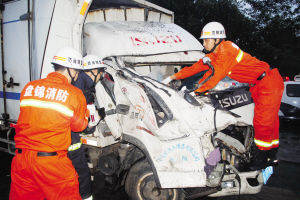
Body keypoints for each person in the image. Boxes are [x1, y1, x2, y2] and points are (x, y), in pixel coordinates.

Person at [163, 22, 284, 171]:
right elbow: (198, 68)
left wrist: (197, 91)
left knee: (263, 122)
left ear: (217, 39)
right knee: (271, 121)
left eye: (206, 40)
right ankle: (272, 155)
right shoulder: (216, 53)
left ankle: (262, 160)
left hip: (268, 82)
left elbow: (215, 76)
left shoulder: (227, 50)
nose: (204, 43)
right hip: (260, 83)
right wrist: (173, 77)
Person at [10, 47, 89, 200]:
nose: (77, 76)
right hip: (51, 164)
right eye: (77, 72)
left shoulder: (29, 87)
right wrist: (86, 113)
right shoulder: (74, 93)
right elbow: (79, 126)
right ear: (70, 69)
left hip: (21, 161)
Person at [68, 54, 106, 200]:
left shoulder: (80, 86)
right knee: (81, 175)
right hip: (70, 142)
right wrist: (99, 118)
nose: (101, 76)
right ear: (93, 71)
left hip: (59, 143)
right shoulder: (83, 92)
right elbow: (86, 127)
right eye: (100, 73)